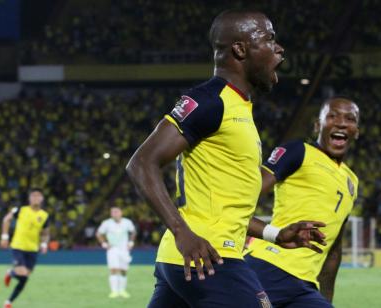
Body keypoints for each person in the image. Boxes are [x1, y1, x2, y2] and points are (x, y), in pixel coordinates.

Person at [126, 9, 325, 308]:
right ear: (240, 49)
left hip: (189, 259)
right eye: (269, 38)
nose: (279, 47)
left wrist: (275, 234)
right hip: (210, 257)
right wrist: (182, 232)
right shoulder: (211, 100)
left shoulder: (238, 107)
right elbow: (141, 163)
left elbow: (227, 210)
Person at [245, 97, 360, 307]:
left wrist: (325, 300)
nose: (342, 123)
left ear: (356, 131)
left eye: (350, 118)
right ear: (318, 125)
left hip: (305, 287)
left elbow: (333, 249)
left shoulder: (352, 180)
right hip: (268, 267)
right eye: (332, 116)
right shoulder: (298, 151)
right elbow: (244, 195)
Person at [0, 188, 50, 308]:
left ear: (42, 199)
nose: (36, 198)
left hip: (32, 249)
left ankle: (9, 301)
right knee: (22, 273)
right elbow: (6, 219)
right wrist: (5, 236)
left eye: (38, 196)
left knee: (25, 277)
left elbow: (46, 232)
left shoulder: (44, 215)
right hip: (18, 246)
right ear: (29, 198)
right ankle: (12, 274)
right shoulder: (21, 210)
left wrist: (44, 244)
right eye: (33, 196)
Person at [96, 207, 137, 299]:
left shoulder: (127, 222)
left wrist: (131, 242)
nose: (115, 214)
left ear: (121, 213)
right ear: (111, 214)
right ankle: (114, 291)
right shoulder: (106, 223)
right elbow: (98, 233)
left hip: (124, 249)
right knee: (113, 269)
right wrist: (104, 243)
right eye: (113, 212)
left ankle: (122, 290)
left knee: (123, 270)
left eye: (116, 212)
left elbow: (133, 232)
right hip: (112, 249)